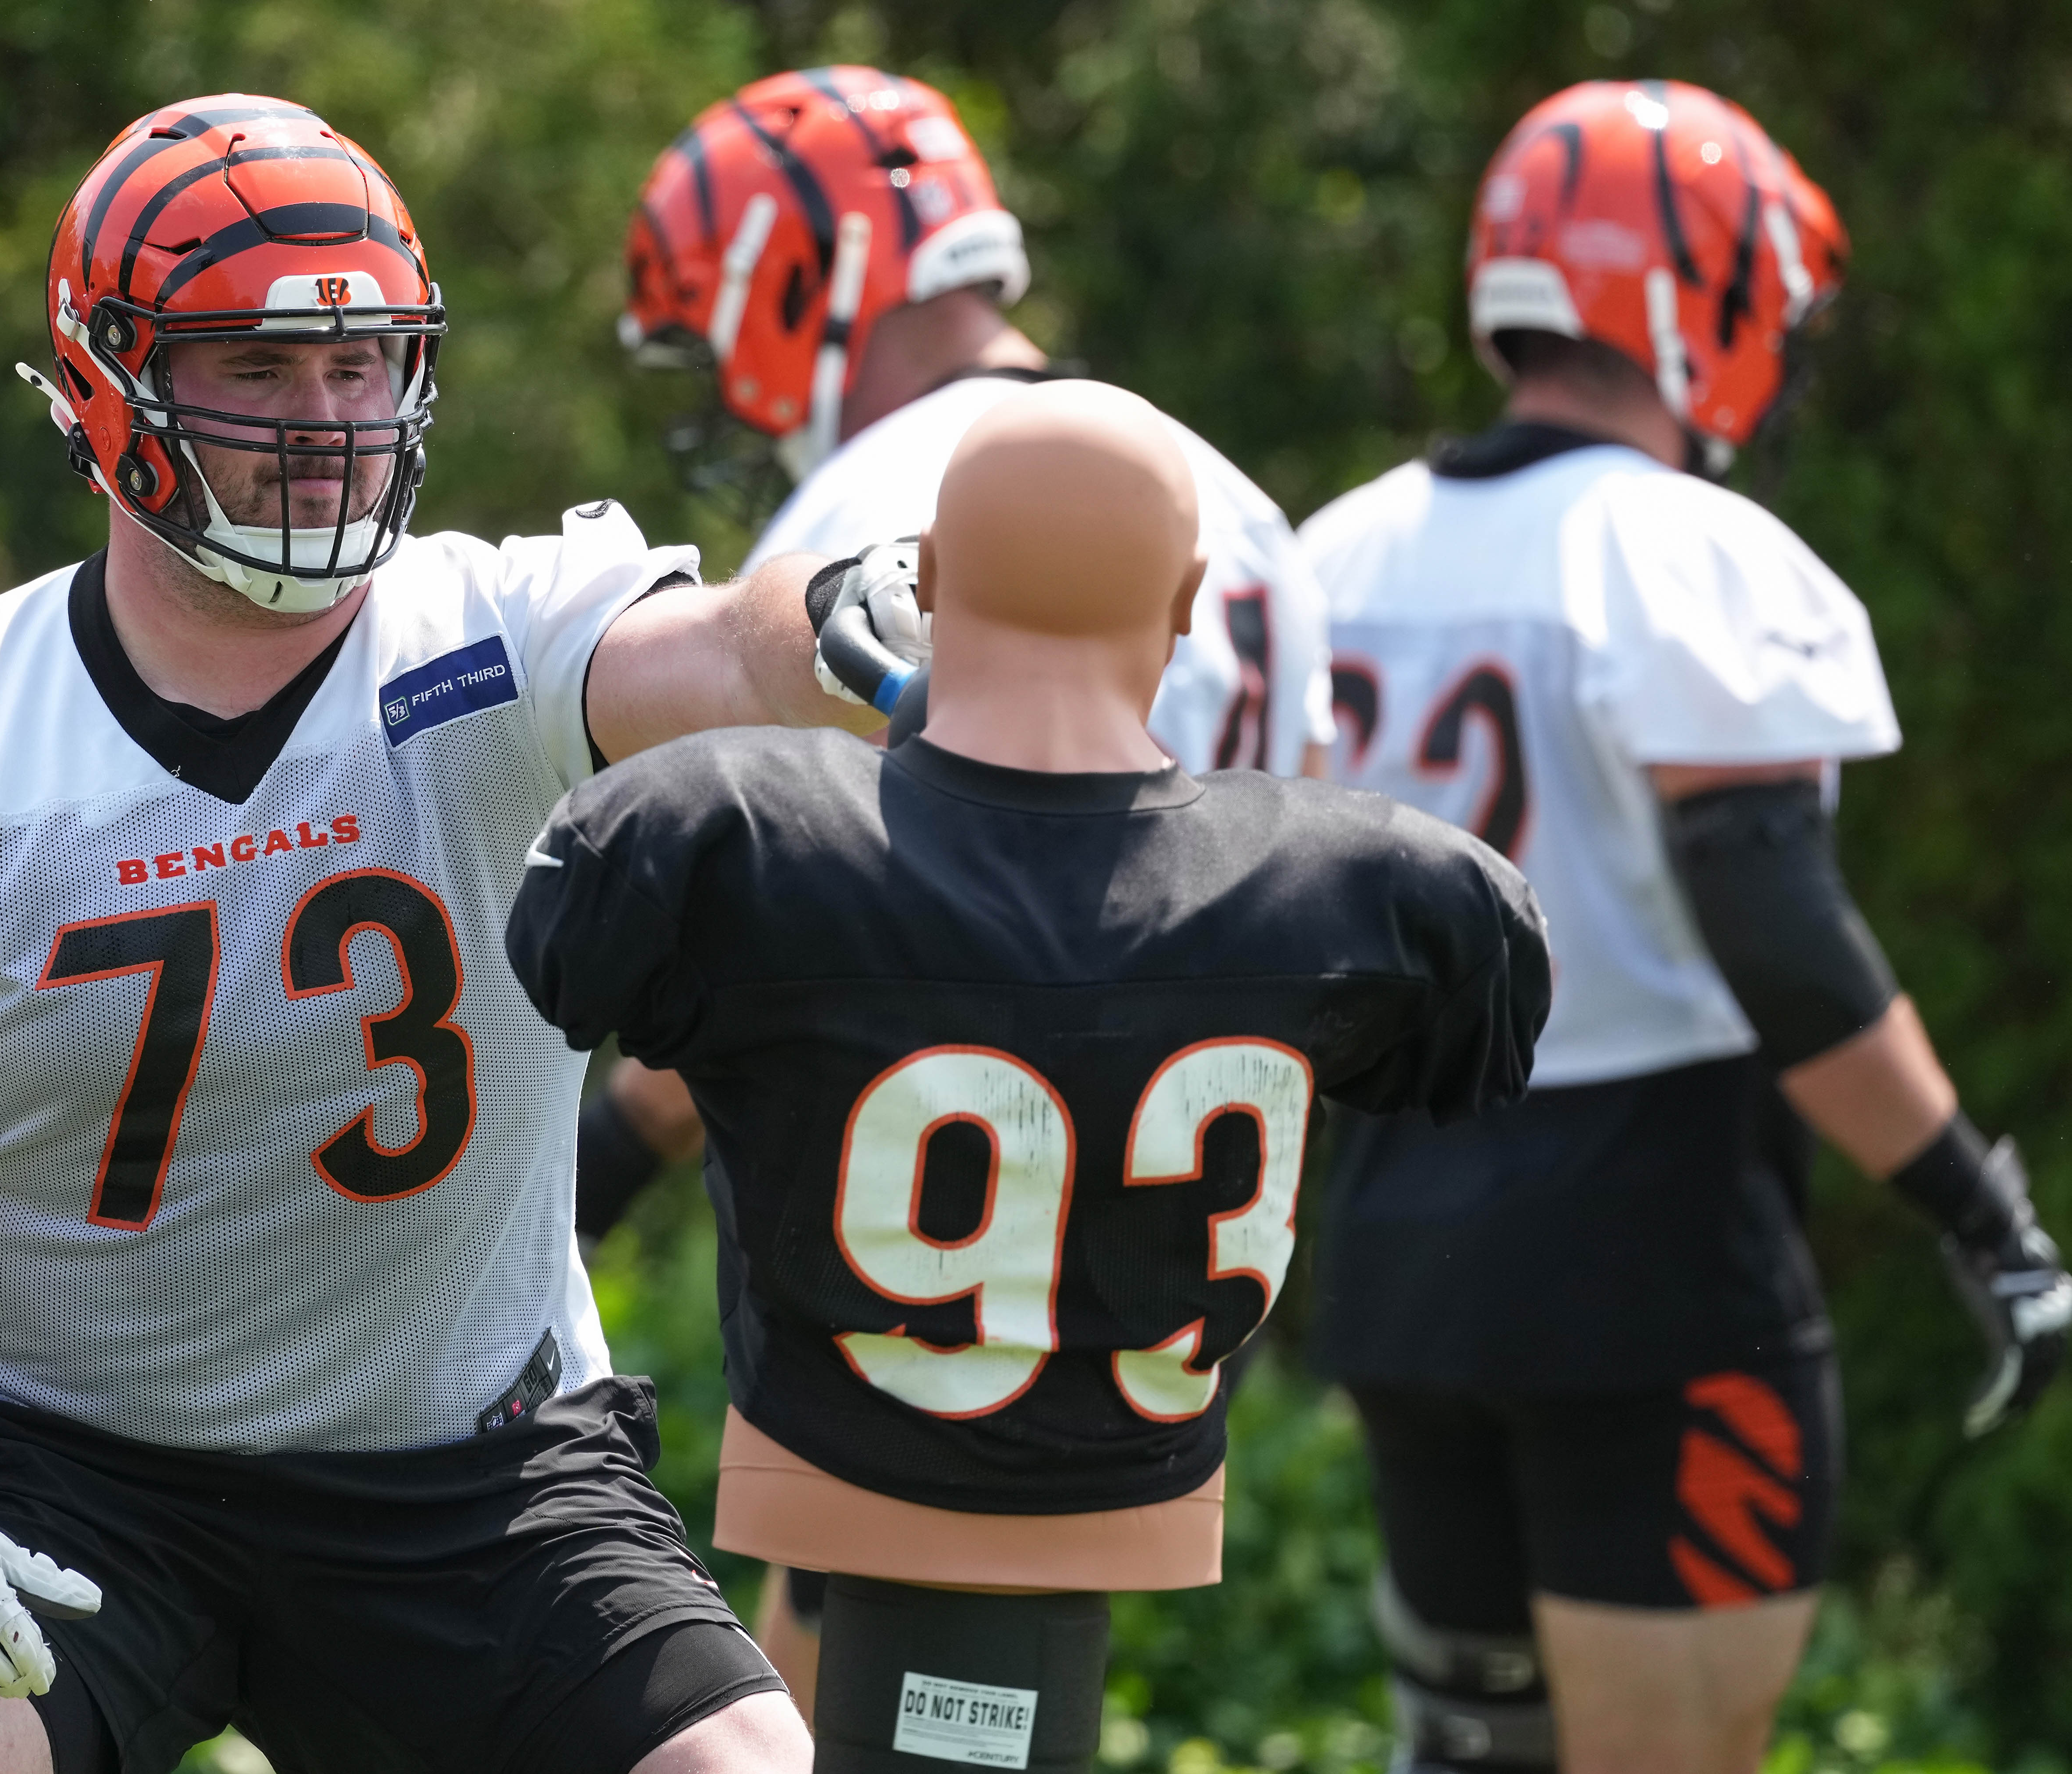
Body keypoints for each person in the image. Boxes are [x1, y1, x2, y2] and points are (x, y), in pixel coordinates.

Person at [0, 93, 892, 1774]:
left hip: (468, 1458)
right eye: (257, 366)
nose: (326, 420)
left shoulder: (491, 640)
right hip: (46, 1460)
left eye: (360, 364)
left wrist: (830, 613)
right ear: (110, 382)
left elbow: (727, 647)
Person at [507, 379, 1552, 1774]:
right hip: (1133, 1473)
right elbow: (1470, 1047)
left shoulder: (737, 829)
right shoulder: (1376, 884)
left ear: (925, 582)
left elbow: (566, 952)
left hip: (837, 1459)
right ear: (1189, 607)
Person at [1301, 79, 2072, 1774]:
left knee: (1474, 1758)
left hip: (1401, 1244)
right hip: (1653, 1255)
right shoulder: (1690, 555)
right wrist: (1981, 1214)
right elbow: (1778, 936)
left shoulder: (1330, 553)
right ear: (1703, 298)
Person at [600, 67, 1341, 1688]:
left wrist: (577, 1171)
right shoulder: (1234, 505)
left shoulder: (900, 509)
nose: (724, 384)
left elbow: (814, 902)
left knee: (860, 1645)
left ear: (790, 280)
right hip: (1171, 1220)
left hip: (921, 1187)